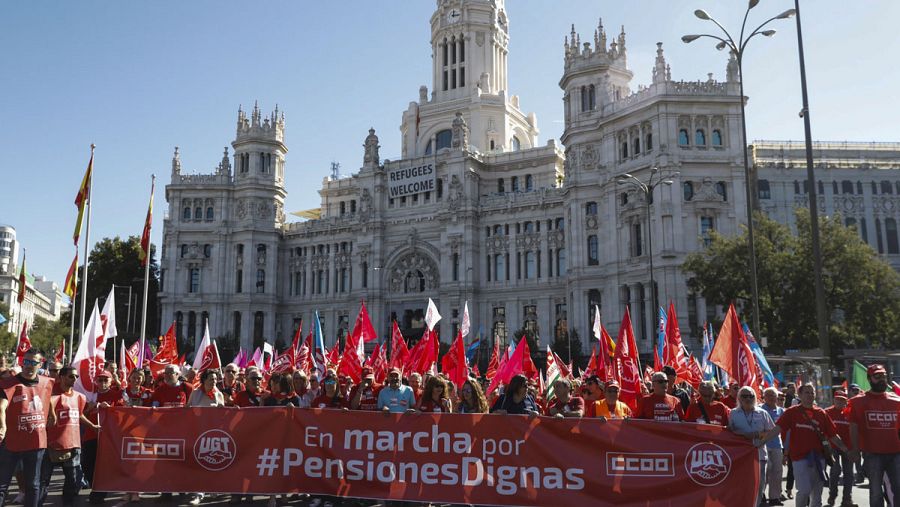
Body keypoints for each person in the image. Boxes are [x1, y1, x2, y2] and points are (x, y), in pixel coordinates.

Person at [760, 384, 849, 507]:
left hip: (819, 459)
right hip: (799, 458)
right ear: (800, 395)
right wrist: (761, 442)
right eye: (807, 392)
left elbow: (833, 435)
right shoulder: (792, 412)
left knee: (817, 494)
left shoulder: (821, 413)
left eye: (812, 392)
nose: (810, 395)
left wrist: (846, 450)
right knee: (804, 490)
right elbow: (777, 429)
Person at [0, 349, 55, 507]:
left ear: (40, 364)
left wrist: (52, 413)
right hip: (11, 443)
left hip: (36, 443)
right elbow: (1, 406)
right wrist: (2, 425)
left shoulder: (46, 381)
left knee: (33, 485)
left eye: (33, 363)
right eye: (26, 361)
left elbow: (49, 396)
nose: (28, 366)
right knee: (2, 484)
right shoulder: (8, 383)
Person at [848, 364, 900, 507]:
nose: (882, 379)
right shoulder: (857, 402)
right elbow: (853, 427)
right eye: (877, 376)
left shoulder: (897, 400)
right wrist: (855, 450)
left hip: (896, 453)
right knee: (875, 491)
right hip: (872, 454)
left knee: (898, 489)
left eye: (884, 376)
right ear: (869, 379)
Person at [726, 386, 775, 507]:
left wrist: (758, 435)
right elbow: (728, 433)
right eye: (744, 396)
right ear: (739, 398)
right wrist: (741, 435)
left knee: (758, 487)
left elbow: (773, 432)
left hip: (759, 456)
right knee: (741, 487)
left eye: (751, 396)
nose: (748, 398)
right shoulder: (733, 413)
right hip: (739, 458)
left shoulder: (763, 413)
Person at [83, 370, 124, 505]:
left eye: (105, 380)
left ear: (111, 381)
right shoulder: (90, 395)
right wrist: (90, 408)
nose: (102, 383)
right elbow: (81, 413)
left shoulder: (115, 395)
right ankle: (97, 488)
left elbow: (123, 412)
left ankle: (98, 492)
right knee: (87, 465)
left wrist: (110, 408)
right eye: (100, 380)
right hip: (91, 434)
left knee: (103, 465)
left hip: (108, 436)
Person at [824, 389, 854, 507]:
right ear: (834, 400)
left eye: (843, 400)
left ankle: (847, 499)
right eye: (838, 399)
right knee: (835, 471)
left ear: (846, 401)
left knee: (849, 474)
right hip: (833, 447)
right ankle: (832, 496)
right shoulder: (827, 412)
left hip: (848, 447)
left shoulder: (850, 413)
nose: (840, 402)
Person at [759, 387, 786, 506]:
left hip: (777, 445)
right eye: (768, 395)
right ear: (764, 397)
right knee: (764, 471)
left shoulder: (782, 411)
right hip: (763, 445)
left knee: (777, 472)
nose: (770, 397)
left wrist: (787, 448)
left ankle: (775, 497)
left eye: (773, 395)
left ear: (777, 397)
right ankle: (761, 495)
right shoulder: (759, 410)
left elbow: (786, 430)